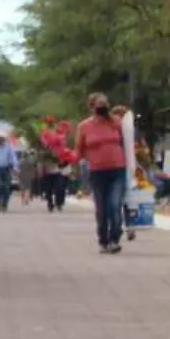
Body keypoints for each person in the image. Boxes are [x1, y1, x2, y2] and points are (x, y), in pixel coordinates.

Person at [75, 93, 130, 254]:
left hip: (118, 170)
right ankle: (103, 240)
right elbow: (79, 149)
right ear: (91, 107)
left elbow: (127, 143)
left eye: (105, 103)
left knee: (115, 205)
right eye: (99, 104)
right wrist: (73, 163)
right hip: (97, 172)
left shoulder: (117, 123)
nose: (103, 107)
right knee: (102, 209)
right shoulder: (84, 126)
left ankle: (114, 239)